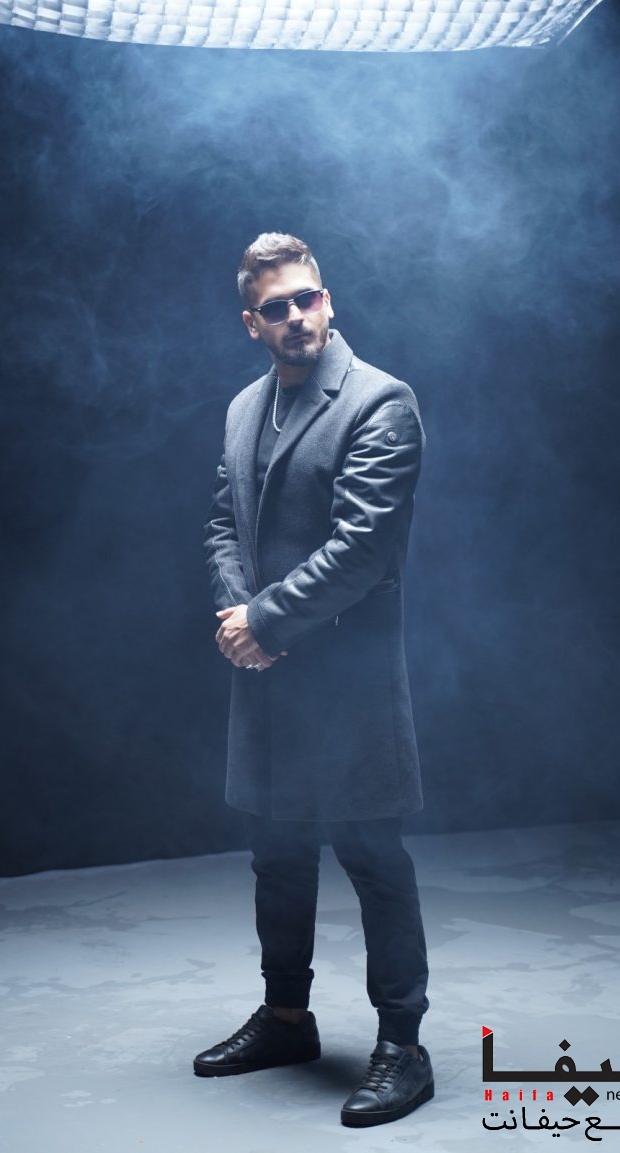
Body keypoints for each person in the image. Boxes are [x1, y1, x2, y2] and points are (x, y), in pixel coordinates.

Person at [197, 233, 432, 1128]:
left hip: (349, 684)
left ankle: (403, 1046)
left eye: (308, 298)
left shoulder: (380, 401)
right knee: (278, 853)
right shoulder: (241, 408)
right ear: (251, 322)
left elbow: (362, 549)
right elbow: (223, 522)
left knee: (372, 857)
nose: (297, 316)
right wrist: (239, 615)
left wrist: (261, 624)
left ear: (327, 301)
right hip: (269, 681)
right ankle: (287, 1019)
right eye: (277, 307)